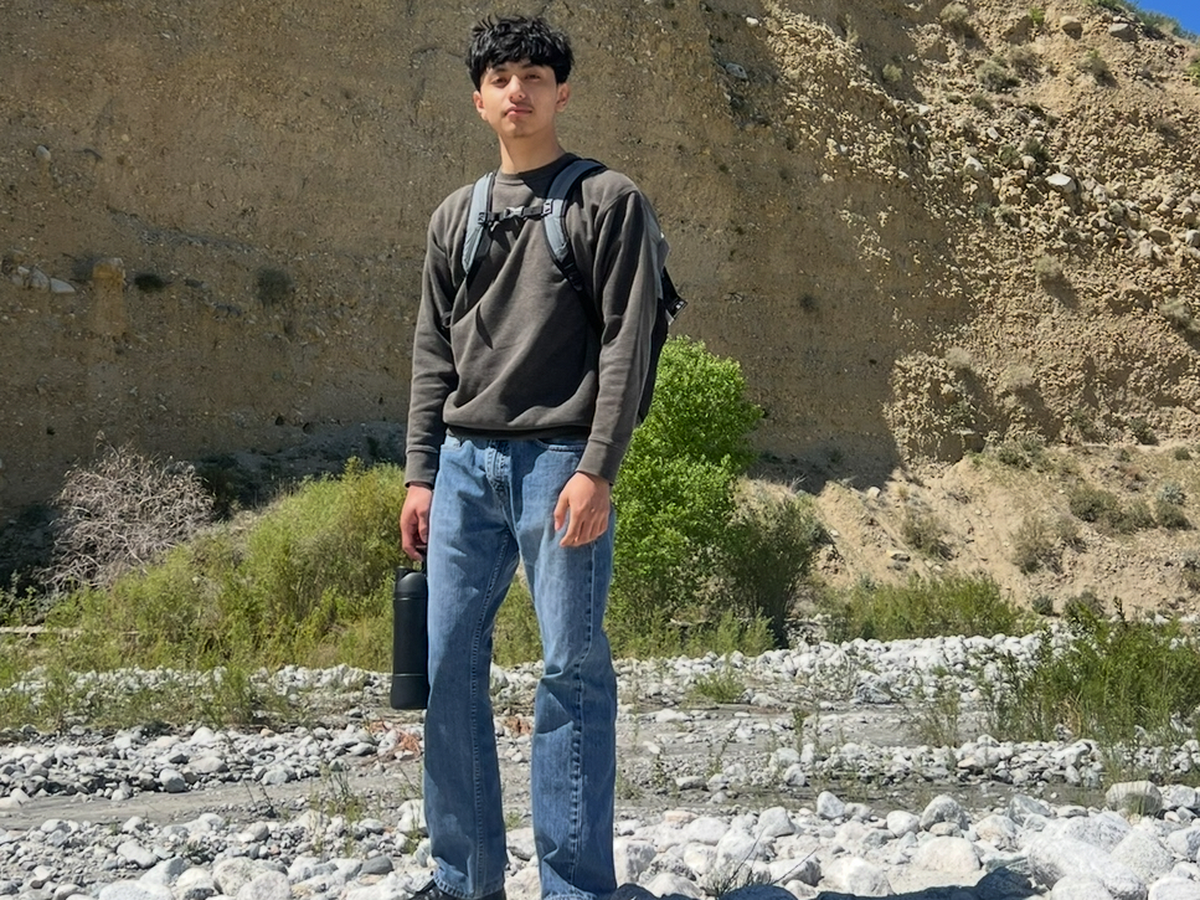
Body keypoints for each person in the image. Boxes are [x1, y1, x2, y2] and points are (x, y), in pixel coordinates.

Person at [398, 14, 667, 900]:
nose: (518, 91)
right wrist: (420, 473)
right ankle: (462, 879)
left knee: (570, 671)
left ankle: (575, 886)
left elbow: (628, 346)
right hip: (463, 468)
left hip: (560, 463)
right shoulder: (455, 216)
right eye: (501, 78)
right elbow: (432, 353)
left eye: (536, 77)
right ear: (478, 100)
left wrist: (598, 469)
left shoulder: (608, 201)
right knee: (446, 669)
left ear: (563, 93)